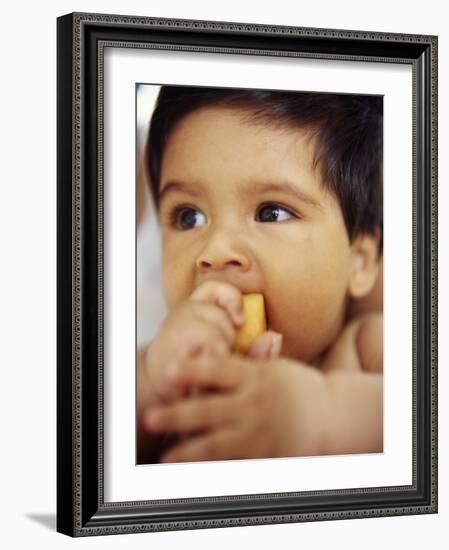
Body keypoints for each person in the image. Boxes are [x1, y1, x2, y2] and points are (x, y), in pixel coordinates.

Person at [136, 86, 383, 464]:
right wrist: (155, 382)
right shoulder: (166, 366)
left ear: (360, 261)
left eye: (271, 212)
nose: (215, 251)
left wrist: (321, 418)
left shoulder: (364, 347)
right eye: (189, 217)